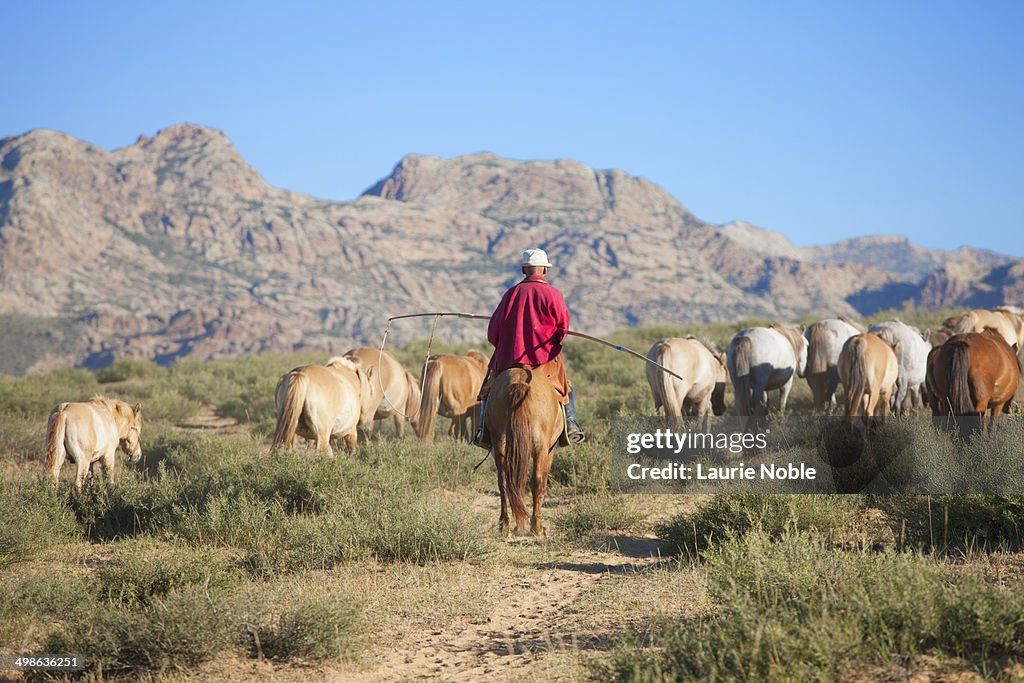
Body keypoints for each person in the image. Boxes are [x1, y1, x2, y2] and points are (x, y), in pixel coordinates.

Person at [473, 248, 585, 448]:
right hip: (543, 358)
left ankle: (483, 431)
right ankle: (571, 424)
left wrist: (507, 345)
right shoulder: (553, 294)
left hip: (509, 358)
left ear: (525, 270)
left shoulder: (510, 294)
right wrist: (554, 342)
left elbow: (493, 333)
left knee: (488, 389)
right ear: (544, 270)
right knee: (564, 386)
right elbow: (563, 329)